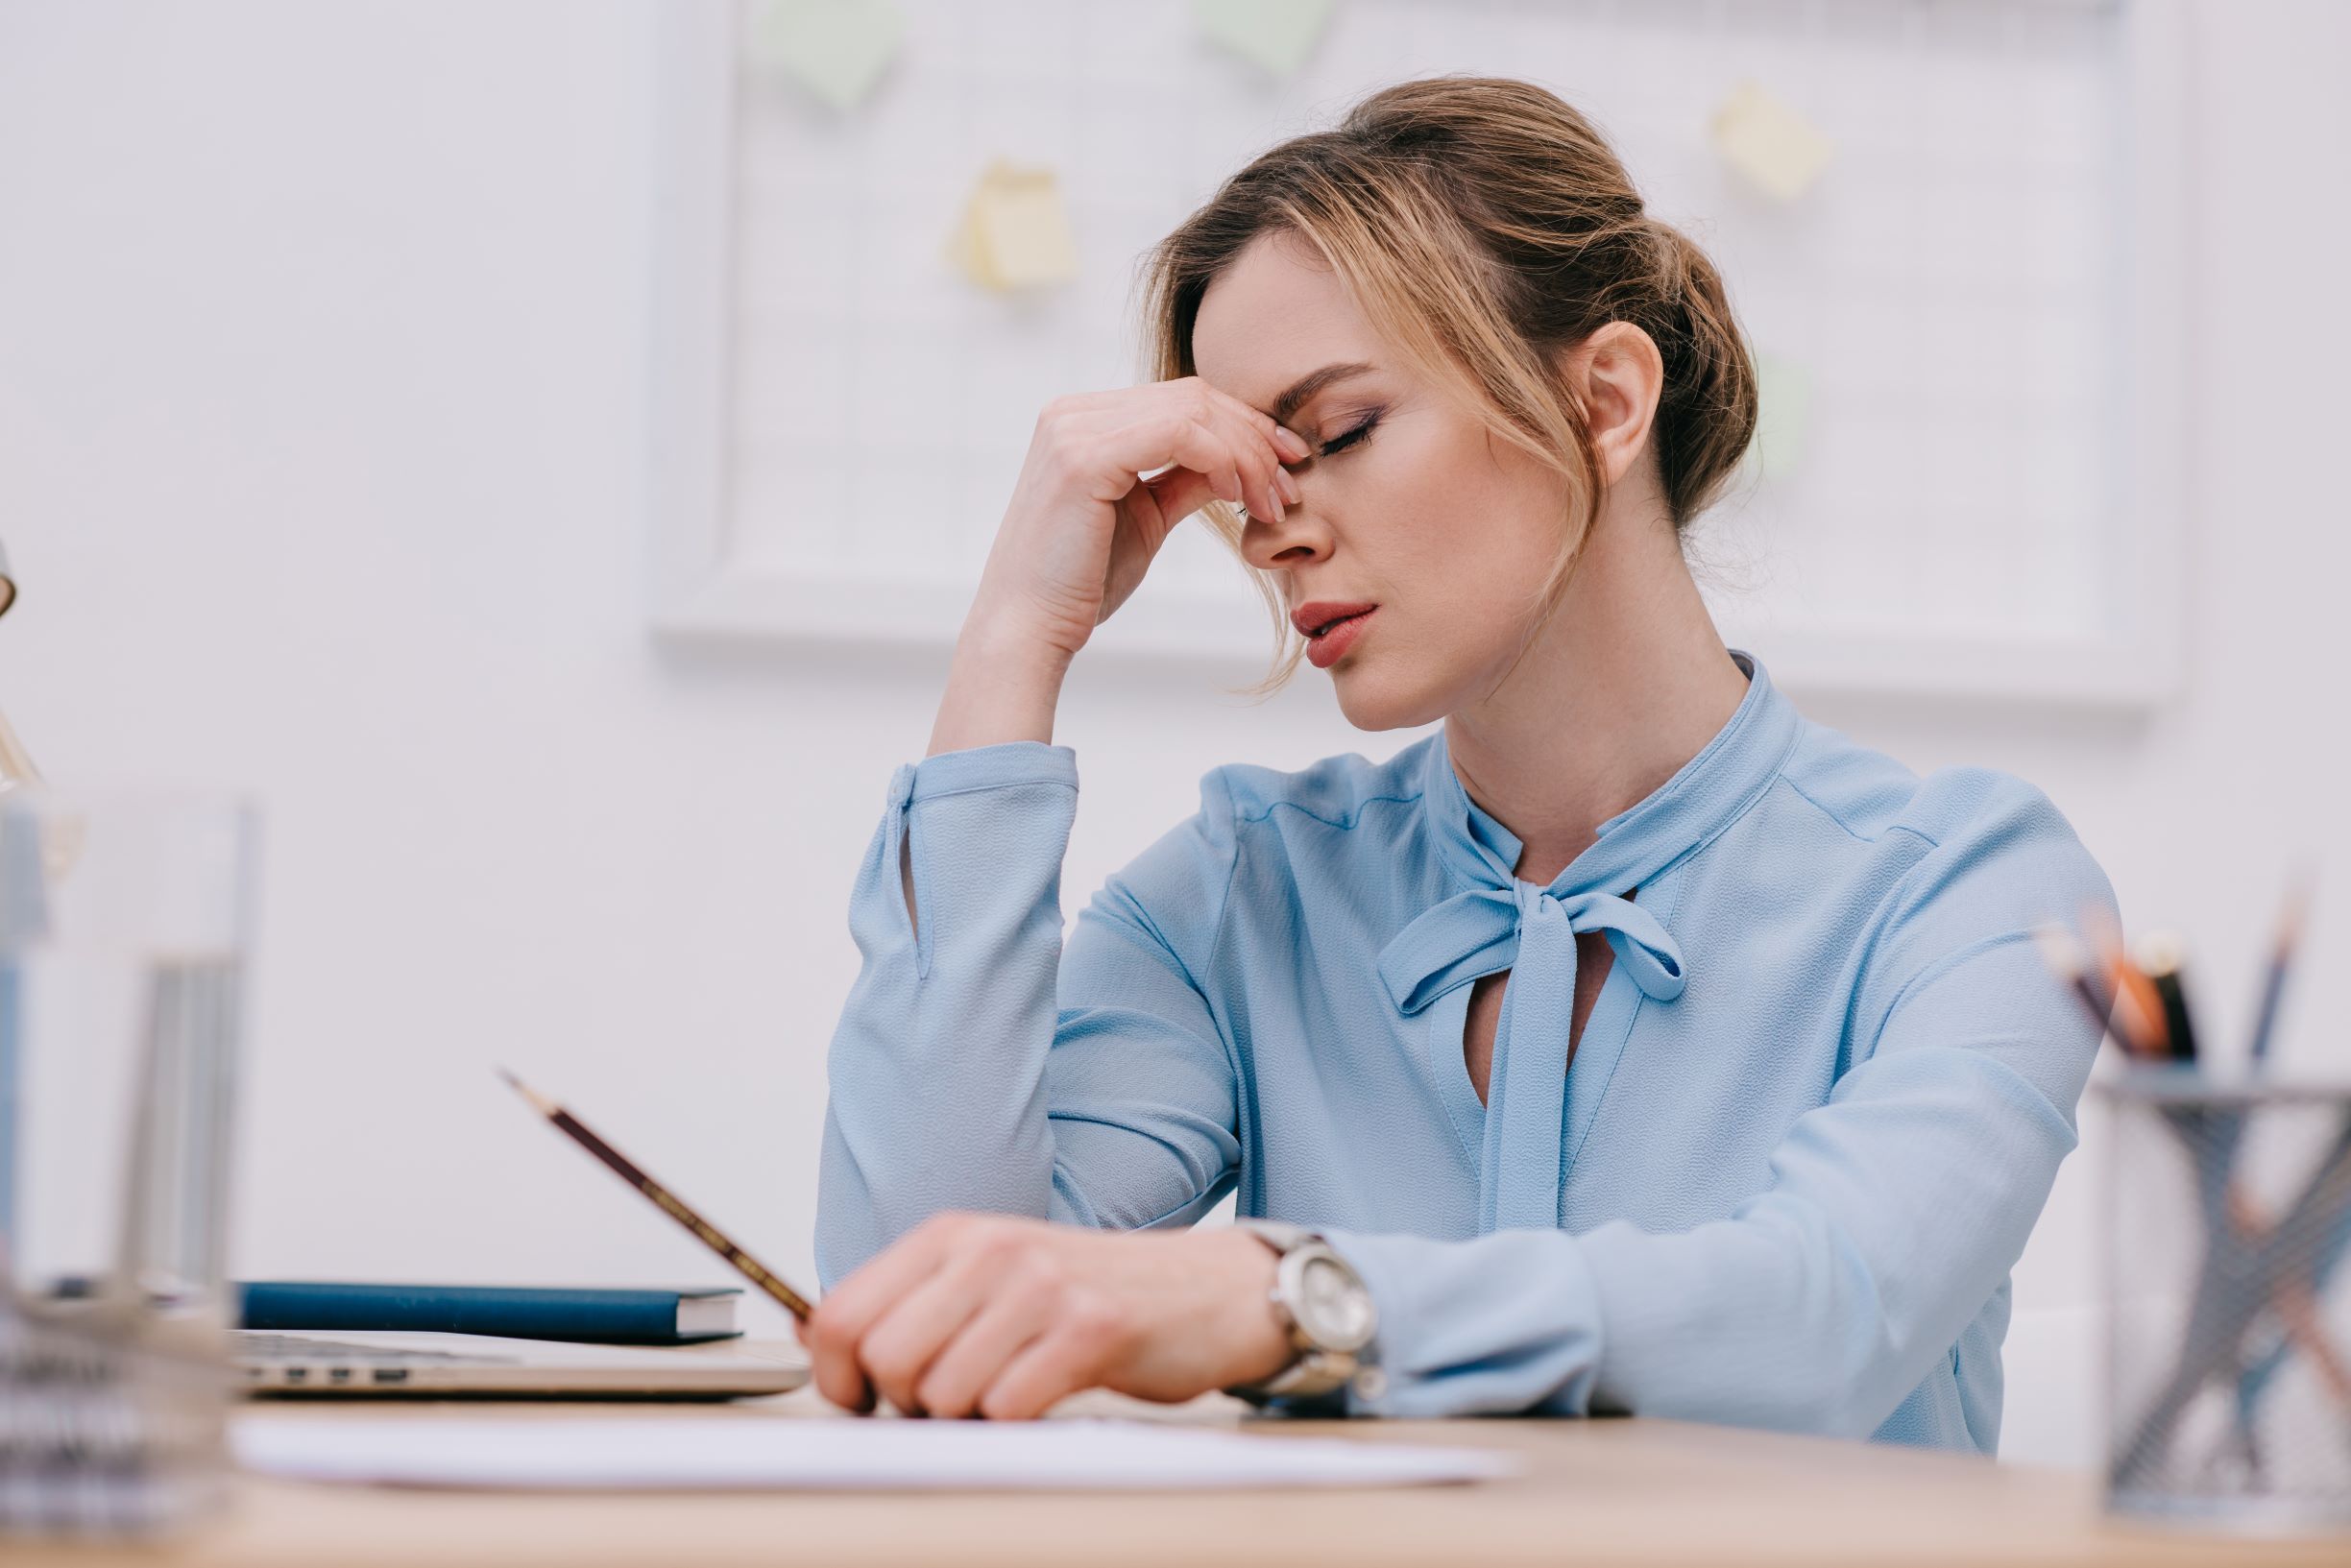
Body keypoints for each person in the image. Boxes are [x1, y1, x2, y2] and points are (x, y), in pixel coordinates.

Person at [802, 76, 2116, 1454]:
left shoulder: (1971, 888)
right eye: (1246, 474)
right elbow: (916, 1304)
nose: (1270, 534)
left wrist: (1286, 1301)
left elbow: (1828, 1315)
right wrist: (1020, 634)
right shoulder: (1247, 892)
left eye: (1340, 433)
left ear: (1606, 399)